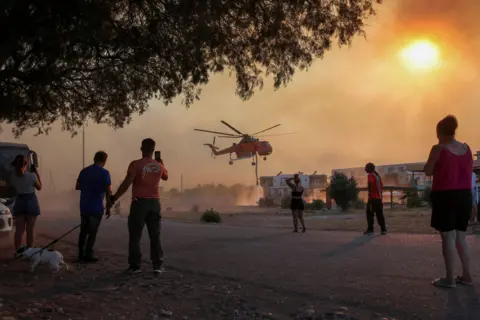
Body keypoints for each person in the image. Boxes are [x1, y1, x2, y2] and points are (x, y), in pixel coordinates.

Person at [424, 115, 475, 288]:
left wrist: (433, 160)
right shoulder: (466, 149)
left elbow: (428, 171)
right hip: (465, 195)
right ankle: (467, 276)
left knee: (447, 237)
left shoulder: (439, 148)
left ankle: (450, 279)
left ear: (440, 132)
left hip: (445, 196)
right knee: (461, 236)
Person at [112, 138, 168, 274]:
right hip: (155, 203)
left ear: (141, 149)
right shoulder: (159, 166)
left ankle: (135, 266)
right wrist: (161, 163)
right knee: (155, 235)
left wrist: (114, 198)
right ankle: (157, 265)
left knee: (135, 235)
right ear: (153, 150)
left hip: (139, 202)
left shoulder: (135, 165)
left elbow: (127, 183)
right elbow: (166, 177)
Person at [75, 151, 112, 263]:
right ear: (104, 161)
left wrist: (88, 186)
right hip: (96, 207)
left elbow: (77, 186)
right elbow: (108, 191)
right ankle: (89, 253)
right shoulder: (105, 173)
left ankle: (81, 253)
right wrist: (109, 207)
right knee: (92, 232)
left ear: (94, 158)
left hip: (84, 206)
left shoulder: (84, 171)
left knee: (83, 231)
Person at [8, 155, 42, 250]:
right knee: (30, 228)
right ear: (26, 164)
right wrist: (36, 173)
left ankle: (18, 250)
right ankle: (30, 249)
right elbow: (39, 187)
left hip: (20, 201)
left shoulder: (13, 177)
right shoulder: (31, 176)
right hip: (31, 201)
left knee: (19, 229)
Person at [363, 163, 387, 235]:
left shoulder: (370, 175)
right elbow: (381, 186)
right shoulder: (377, 176)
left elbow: (370, 184)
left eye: (366, 168)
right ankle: (383, 229)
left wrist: (369, 195)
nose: (365, 169)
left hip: (373, 198)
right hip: (379, 198)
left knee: (369, 213)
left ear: (370, 168)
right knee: (379, 214)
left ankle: (370, 230)